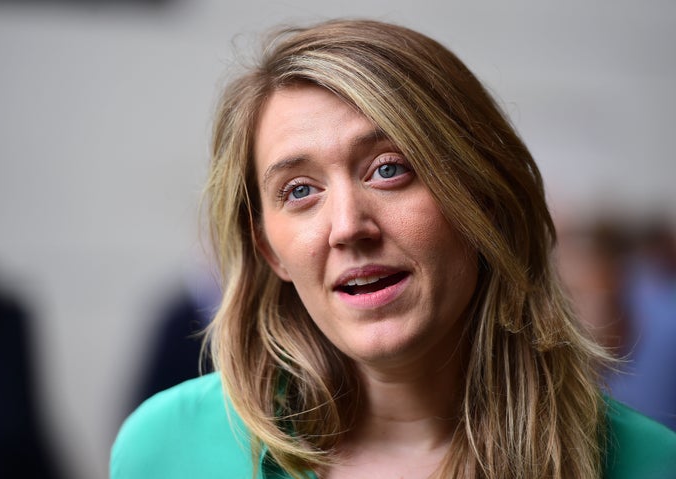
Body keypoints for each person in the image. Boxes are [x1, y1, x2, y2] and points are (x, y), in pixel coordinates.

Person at [110, 19, 676, 478]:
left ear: (484, 201)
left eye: (389, 170)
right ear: (270, 250)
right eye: (300, 190)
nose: (347, 226)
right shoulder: (166, 450)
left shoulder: (647, 464)